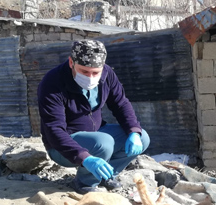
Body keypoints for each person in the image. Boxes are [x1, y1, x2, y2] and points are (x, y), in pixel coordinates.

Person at [37, 40, 150, 194]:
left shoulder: (107, 74)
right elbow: (54, 129)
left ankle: (107, 174)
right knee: (103, 143)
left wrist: (133, 131)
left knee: (142, 137)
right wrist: (84, 157)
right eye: (84, 71)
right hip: (62, 146)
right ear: (71, 62)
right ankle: (84, 183)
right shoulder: (53, 83)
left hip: (97, 132)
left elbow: (120, 103)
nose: (90, 77)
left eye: (95, 72)